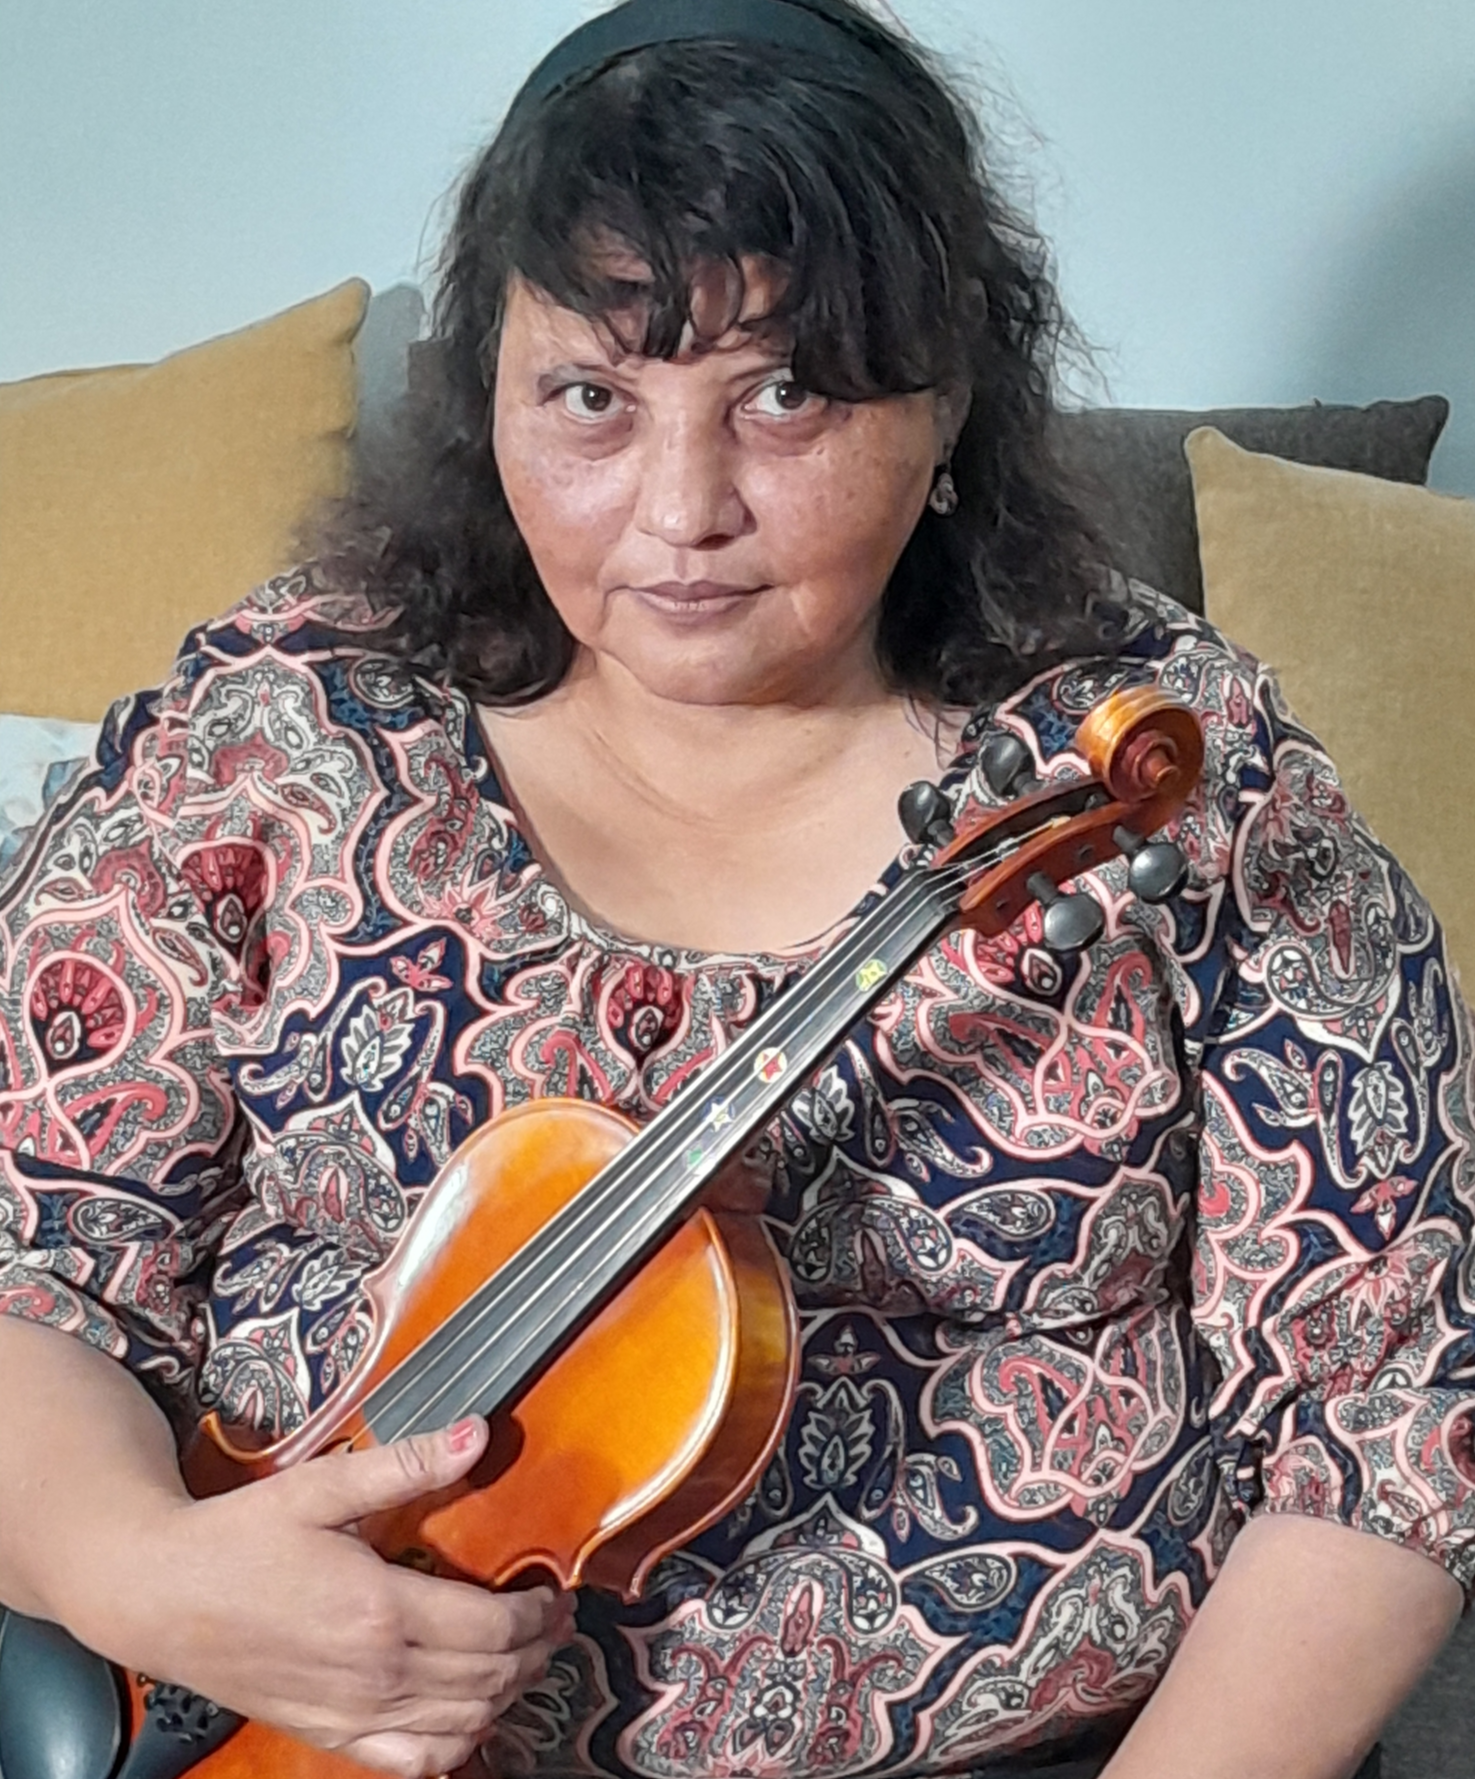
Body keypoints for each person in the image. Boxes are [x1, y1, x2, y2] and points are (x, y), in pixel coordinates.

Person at [0, 2, 1472, 1776]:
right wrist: (139, 1572)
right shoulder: (282, 727)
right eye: (592, 399)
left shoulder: (1163, 765)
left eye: (784, 393)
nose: (680, 508)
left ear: (945, 404)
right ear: (487, 397)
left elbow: (1394, 1410)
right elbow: (33, 1258)